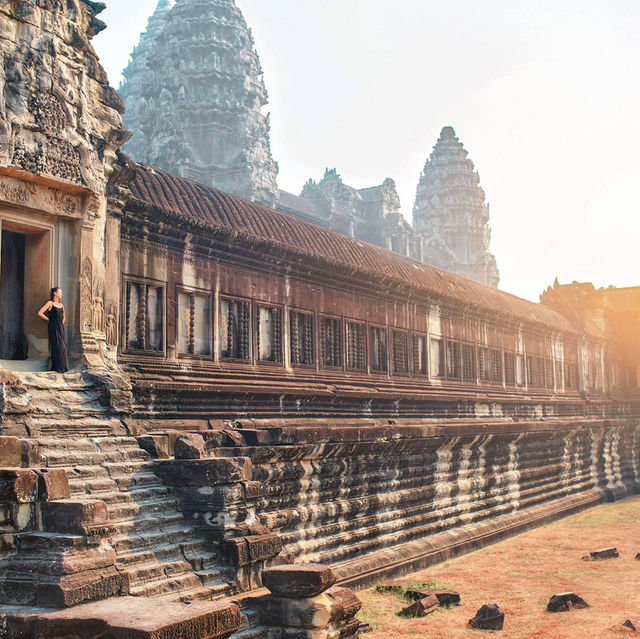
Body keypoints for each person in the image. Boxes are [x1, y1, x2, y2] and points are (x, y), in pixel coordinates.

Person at [38, 287, 69, 373]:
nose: (61, 294)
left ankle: (62, 368)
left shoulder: (62, 305)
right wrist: (49, 320)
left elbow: (64, 317)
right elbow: (40, 313)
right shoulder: (50, 303)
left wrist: (61, 324)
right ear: (55, 293)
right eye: (60, 292)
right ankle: (58, 368)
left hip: (60, 328)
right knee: (57, 347)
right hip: (53, 327)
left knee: (63, 347)